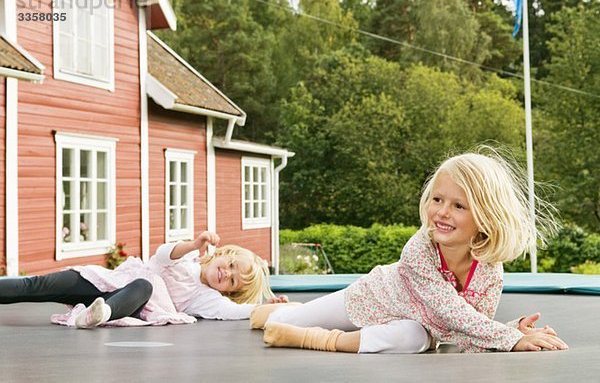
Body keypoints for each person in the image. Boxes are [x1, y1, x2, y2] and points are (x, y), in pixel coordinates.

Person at [251, 148, 569, 353]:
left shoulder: (488, 269)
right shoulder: (419, 249)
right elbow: (452, 313)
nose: (442, 212)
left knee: (413, 338)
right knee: (289, 320)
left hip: (417, 329)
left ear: (486, 216)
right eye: (437, 200)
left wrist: (513, 331)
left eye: (459, 206)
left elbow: (470, 327)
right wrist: (511, 339)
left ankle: (323, 341)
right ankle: (275, 313)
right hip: (368, 300)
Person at [0, 231, 287, 328]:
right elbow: (161, 256)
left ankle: (97, 316)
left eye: (233, 281)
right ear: (222, 253)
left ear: (231, 292)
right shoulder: (187, 257)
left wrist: (268, 305)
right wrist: (193, 243)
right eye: (231, 265)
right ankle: (96, 309)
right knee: (35, 284)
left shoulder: (207, 298)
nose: (228, 273)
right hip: (106, 283)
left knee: (145, 286)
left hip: (131, 303)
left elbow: (235, 312)